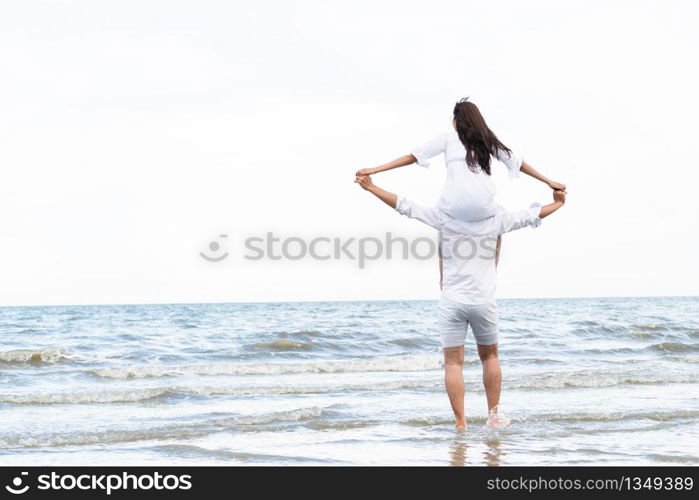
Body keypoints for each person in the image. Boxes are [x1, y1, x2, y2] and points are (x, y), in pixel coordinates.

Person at [354, 174, 566, 429]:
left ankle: (461, 422)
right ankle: (494, 415)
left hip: (452, 300)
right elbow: (532, 215)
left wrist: (371, 187)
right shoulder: (496, 221)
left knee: (453, 362)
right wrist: (558, 203)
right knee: (490, 357)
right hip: (483, 300)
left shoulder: (445, 219)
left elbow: (405, 205)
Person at [356, 98, 566, 261]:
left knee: (441, 226)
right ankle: (491, 270)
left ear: (457, 119)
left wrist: (375, 169)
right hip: (483, 207)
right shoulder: (487, 140)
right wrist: (548, 181)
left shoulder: (447, 139)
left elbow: (412, 157)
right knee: (499, 223)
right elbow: (518, 162)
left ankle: (443, 276)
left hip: (453, 207)